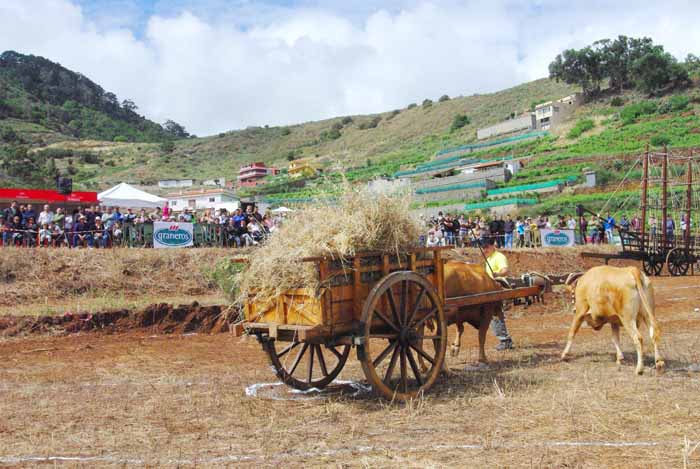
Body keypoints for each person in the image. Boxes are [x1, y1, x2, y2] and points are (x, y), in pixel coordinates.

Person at [482, 238, 513, 350]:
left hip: (497, 288)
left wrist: (497, 273)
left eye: (486, 247)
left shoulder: (499, 257)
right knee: (492, 315)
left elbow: (505, 270)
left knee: (495, 314)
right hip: (489, 289)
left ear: (492, 246)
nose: (484, 250)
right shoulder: (488, 258)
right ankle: (505, 339)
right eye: (483, 248)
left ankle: (505, 340)